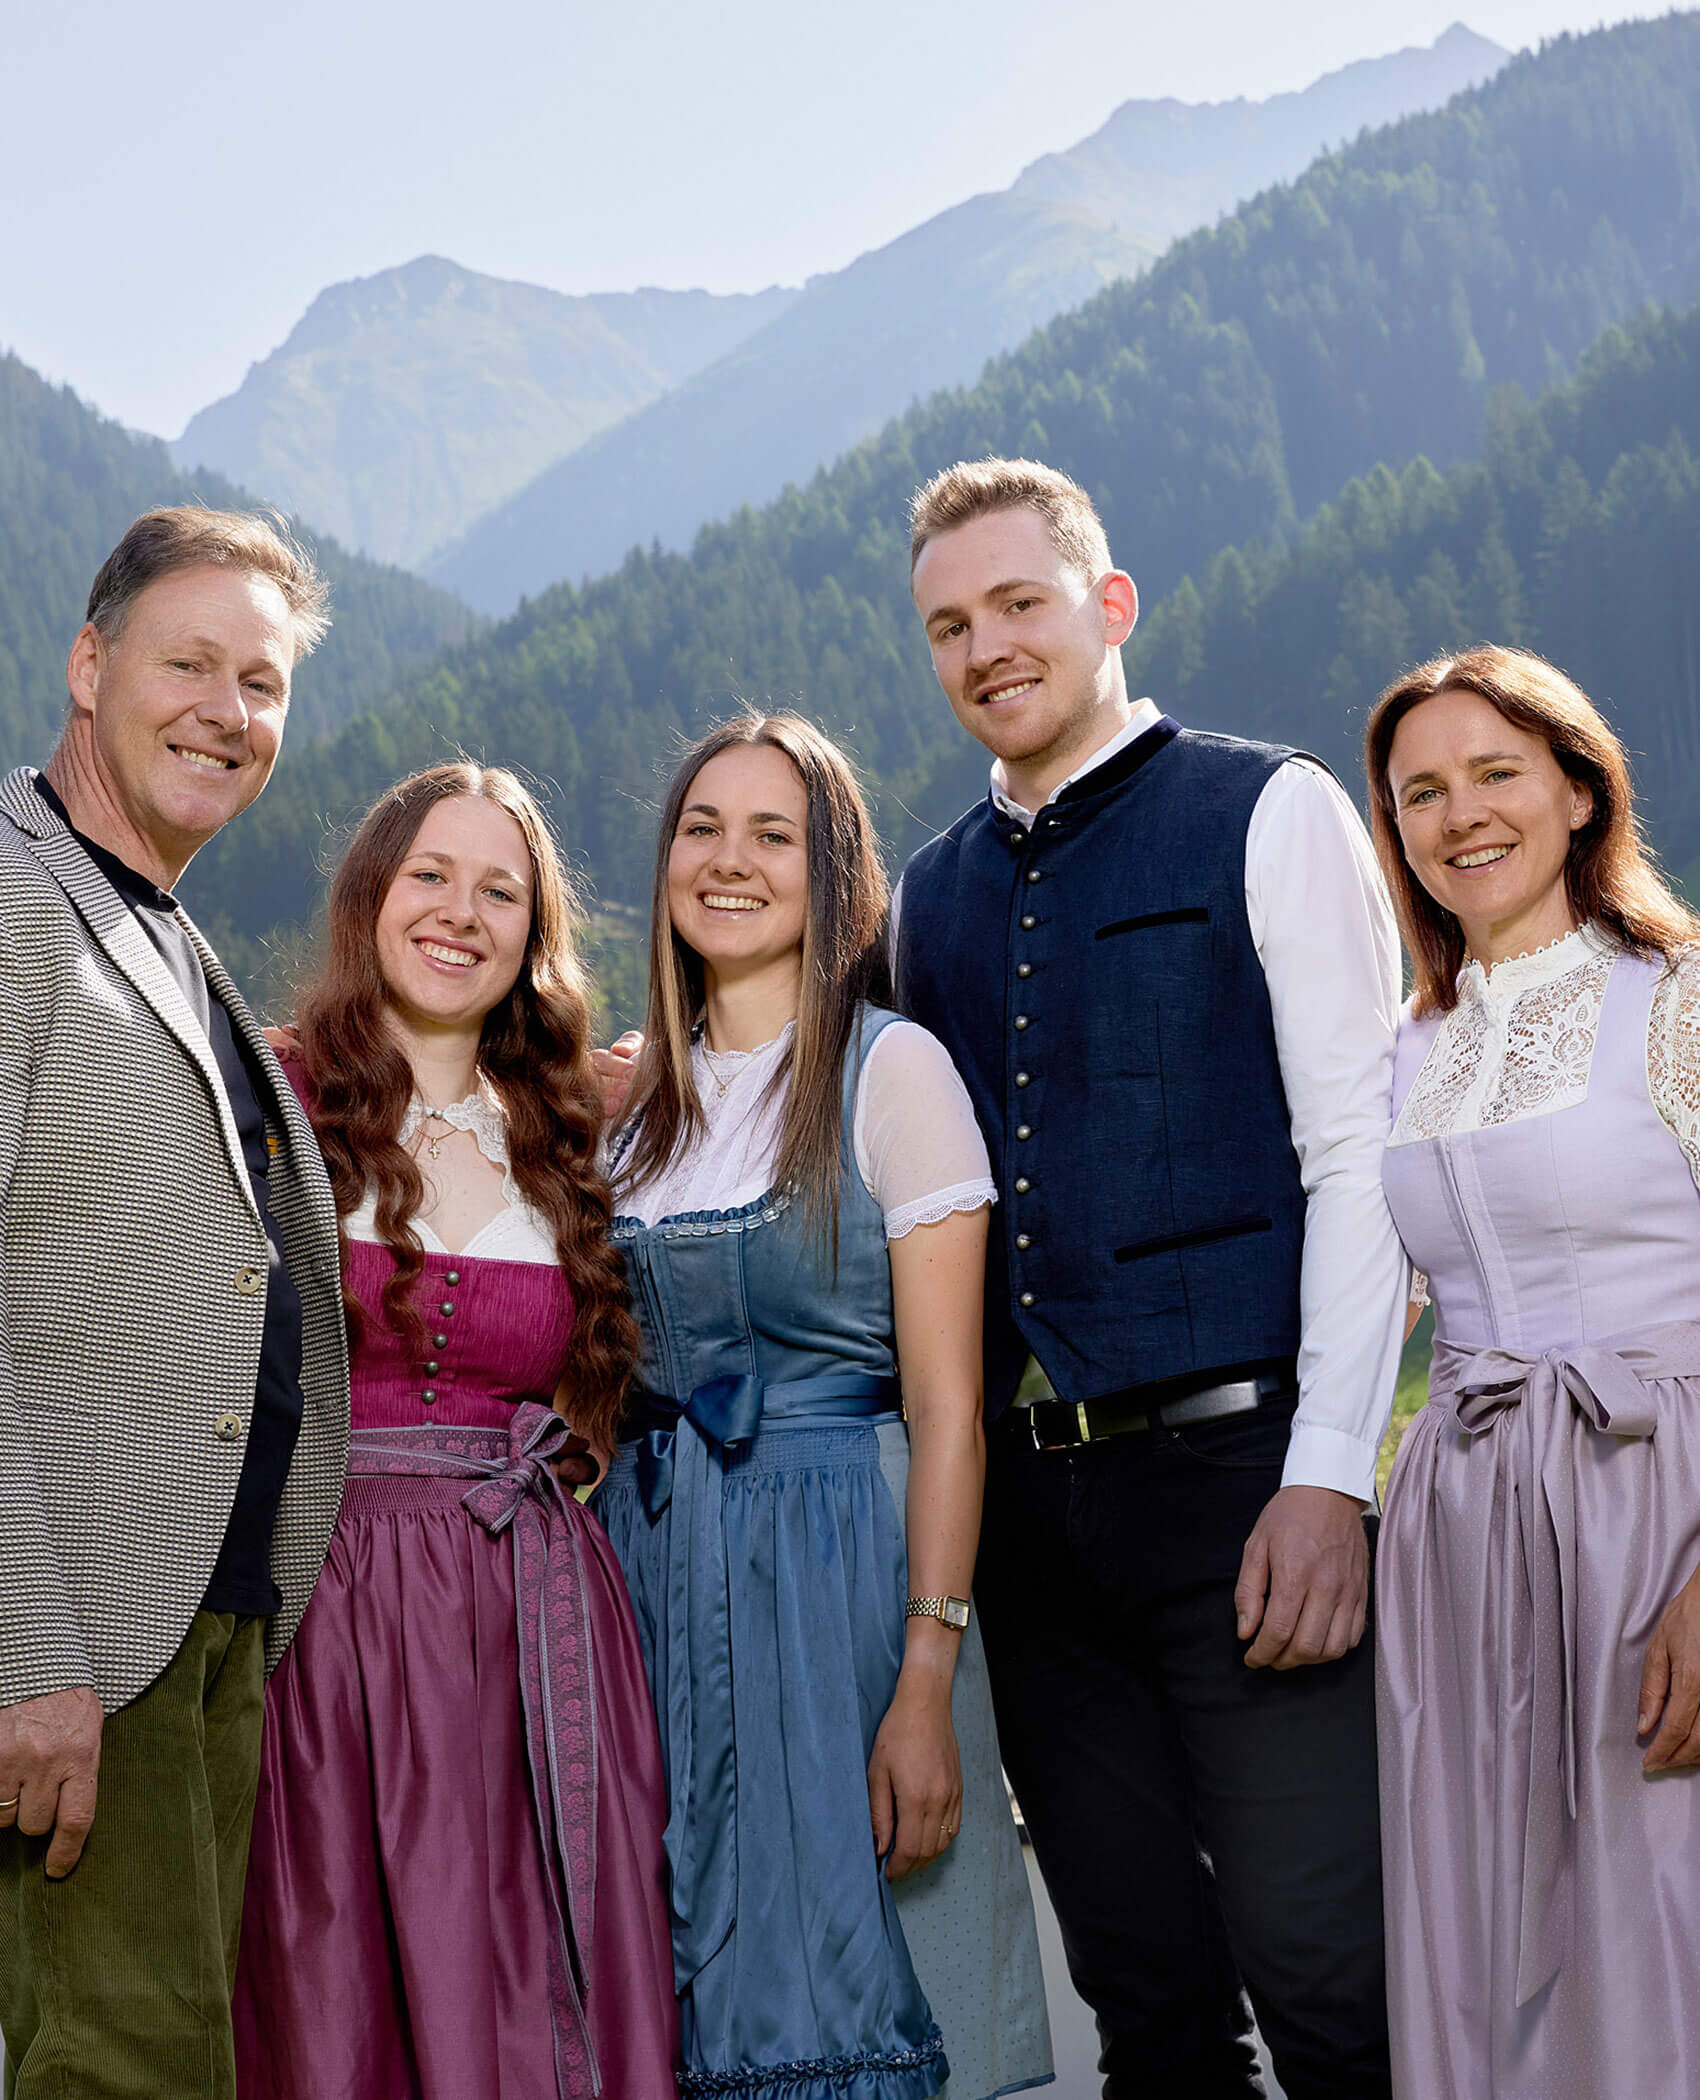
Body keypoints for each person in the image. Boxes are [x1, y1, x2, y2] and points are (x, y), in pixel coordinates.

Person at [892, 459, 1405, 2099]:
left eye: (1020, 603)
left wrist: (1330, 1476)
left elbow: (1358, 1163)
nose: (988, 648)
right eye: (950, 625)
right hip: (1039, 1538)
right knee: (1145, 2001)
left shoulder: (1271, 807)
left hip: (1248, 1493)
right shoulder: (925, 893)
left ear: (1110, 605)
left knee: (1330, 1982)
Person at [596, 714, 1052, 2100]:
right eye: (701, 829)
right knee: (676, 1988)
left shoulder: (888, 1069)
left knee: (860, 1981)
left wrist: (925, 1677)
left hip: (841, 1576)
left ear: (830, 872)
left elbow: (951, 1406)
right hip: (657, 1581)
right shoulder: (635, 1113)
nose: (729, 863)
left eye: (772, 836)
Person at [230, 763, 677, 2099]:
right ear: (372, 890)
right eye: (432, 874)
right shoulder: (273, 1101)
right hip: (329, 1615)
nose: (460, 913)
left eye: (502, 890)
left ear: (535, 934)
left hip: (535, 1613)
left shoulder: (576, 1132)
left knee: (539, 1982)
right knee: (331, 1980)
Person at [0, 508, 351, 2097]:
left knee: (177, 2065)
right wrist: (22, 1653)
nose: (229, 708)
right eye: (189, 662)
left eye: (263, 683)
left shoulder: (169, 935)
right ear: (88, 665)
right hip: (83, 1636)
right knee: (120, 2071)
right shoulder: (15, 907)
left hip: (207, 1635)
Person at [1367, 645, 1700, 2098]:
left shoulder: (1677, 1001)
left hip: (1655, 1503)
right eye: (1421, 793)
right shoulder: (1408, 1046)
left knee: (1655, 1922)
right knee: (1483, 1938)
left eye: (1496, 773)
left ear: (1578, 790)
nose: (1460, 817)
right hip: (1461, 1535)